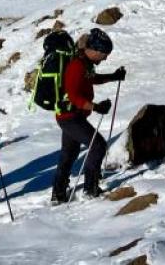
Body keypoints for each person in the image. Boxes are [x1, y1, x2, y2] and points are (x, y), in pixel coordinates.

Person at [51, 27, 125, 203]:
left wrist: (113, 76)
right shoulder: (77, 65)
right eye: (104, 53)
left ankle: (58, 193)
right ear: (94, 50)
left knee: (69, 153)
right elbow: (74, 95)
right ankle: (90, 188)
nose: (105, 57)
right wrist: (96, 107)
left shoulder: (84, 63)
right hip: (70, 117)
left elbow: (92, 78)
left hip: (69, 116)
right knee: (97, 145)